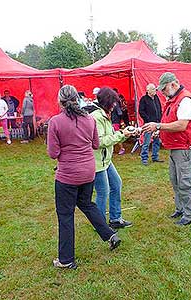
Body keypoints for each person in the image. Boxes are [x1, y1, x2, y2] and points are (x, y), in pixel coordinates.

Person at [47, 85, 120, 270]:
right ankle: (110, 234)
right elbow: (95, 144)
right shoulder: (89, 119)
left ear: (60, 101)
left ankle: (66, 259)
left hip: (67, 176)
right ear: (77, 99)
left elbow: (53, 153)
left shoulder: (55, 122)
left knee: (65, 215)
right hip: (88, 172)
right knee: (87, 204)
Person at [142, 72, 191, 226]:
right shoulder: (174, 99)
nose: (162, 92)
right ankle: (180, 208)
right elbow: (170, 120)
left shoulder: (186, 100)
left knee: (185, 182)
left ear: (174, 84)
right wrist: (159, 130)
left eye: (164, 89)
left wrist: (159, 126)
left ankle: (189, 214)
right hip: (176, 146)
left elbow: (182, 125)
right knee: (175, 180)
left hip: (185, 147)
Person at [90, 87, 134, 229]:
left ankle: (115, 218)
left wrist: (122, 131)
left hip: (106, 161)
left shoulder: (104, 114)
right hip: (97, 162)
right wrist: (122, 135)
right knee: (103, 192)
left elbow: (109, 134)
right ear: (107, 102)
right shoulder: (96, 117)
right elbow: (100, 141)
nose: (115, 105)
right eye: (113, 102)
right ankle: (100, 225)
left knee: (116, 184)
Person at [138, 83, 163, 165]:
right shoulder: (144, 99)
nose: (155, 91)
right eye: (153, 89)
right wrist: (148, 120)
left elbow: (159, 108)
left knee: (156, 141)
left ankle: (155, 157)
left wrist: (159, 119)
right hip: (148, 124)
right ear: (148, 90)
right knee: (147, 142)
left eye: (155, 89)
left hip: (157, 123)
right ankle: (144, 158)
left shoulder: (156, 98)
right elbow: (141, 111)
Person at [111, 88, 125, 155]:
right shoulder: (115, 102)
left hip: (115, 121)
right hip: (114, 121)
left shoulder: (115, 103)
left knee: (116, 135)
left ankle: (122, 148)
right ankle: (112, 150)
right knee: (113, 134)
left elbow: (120, 112)